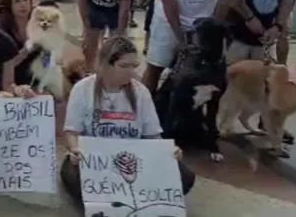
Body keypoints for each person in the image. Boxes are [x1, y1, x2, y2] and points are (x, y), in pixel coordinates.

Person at [60, 36, 195, 199]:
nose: (131, 72)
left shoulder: (140, 92)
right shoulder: (83, 89)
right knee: (74, 177)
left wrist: (168, 151)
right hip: (96, 161)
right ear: (105, 65)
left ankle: (124, 194)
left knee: (185, 177)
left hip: (133, 161)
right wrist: (75, 149)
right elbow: (71, 131)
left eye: (134, 66)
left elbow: (152, 134)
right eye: (124, 66)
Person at [0, 0, 39, 86]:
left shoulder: (40, 23)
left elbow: (49, 59)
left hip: (38, 80)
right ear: (8, 5)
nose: (23, 5)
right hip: (12, 84)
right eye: (17, 1)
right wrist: (26, 50)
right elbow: (4, 66)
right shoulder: (2, 31)